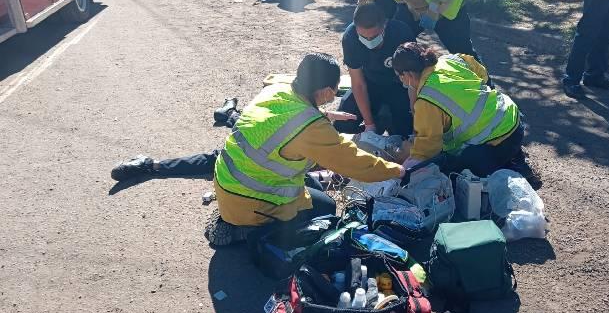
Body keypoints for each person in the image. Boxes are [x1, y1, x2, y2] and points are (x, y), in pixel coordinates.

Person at [113, 54, 404, 247]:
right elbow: (353, 163)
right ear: (325, 91)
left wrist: (327, 116)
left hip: (229, 178)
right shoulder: (312, 128)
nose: (333, 97)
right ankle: (241, 232)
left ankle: (154, 169)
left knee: (312, 184)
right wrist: (398, 169)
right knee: (326, 210)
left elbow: (285, 116)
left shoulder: (278, 89)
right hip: (249, 201)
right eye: (332, 91)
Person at [391, 42, 539, 185]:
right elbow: (481, 72)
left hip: (497, 141)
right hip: (514, 119)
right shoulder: (449, 60)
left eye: (400, 77)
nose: (402, 82)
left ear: (407, 74)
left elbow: (427, 148)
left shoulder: (427, 100)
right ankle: (517, 161)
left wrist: (403, 170)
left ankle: (509, 172)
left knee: (453, 170)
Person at [335, 2, 416, 136]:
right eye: (363, 37)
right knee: (343, 122)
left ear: (384, 25)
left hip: (399, 86)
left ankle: (386, 119)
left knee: (404, 133)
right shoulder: (350, 37)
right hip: (369, 83)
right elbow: (358, 83)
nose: (369, 41)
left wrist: (414, 112)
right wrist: (369, 124)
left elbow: (412, 81)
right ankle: (376, 123)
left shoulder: (401, 33)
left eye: (373, 37)